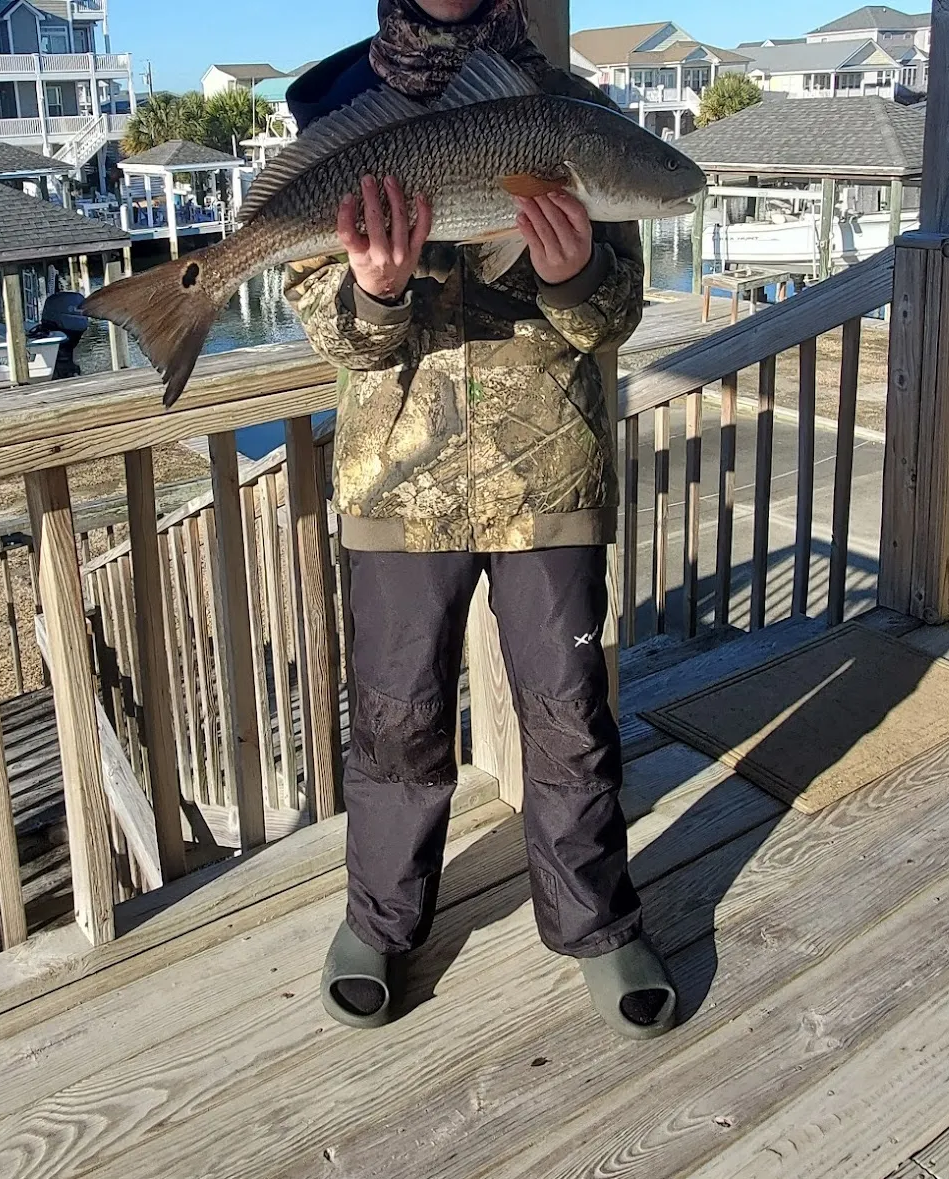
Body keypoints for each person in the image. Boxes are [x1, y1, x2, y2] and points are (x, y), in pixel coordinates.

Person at [285, 0, 677, 1039]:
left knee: (569, 714)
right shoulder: (344, 115)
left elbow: (614, 316)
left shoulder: (573, 113)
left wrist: (573, 274)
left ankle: (595, 921)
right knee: (396, 715)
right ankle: (380, 921)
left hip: (548, 475)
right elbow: (329, 329)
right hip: (396, 479)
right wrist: (374, 293)